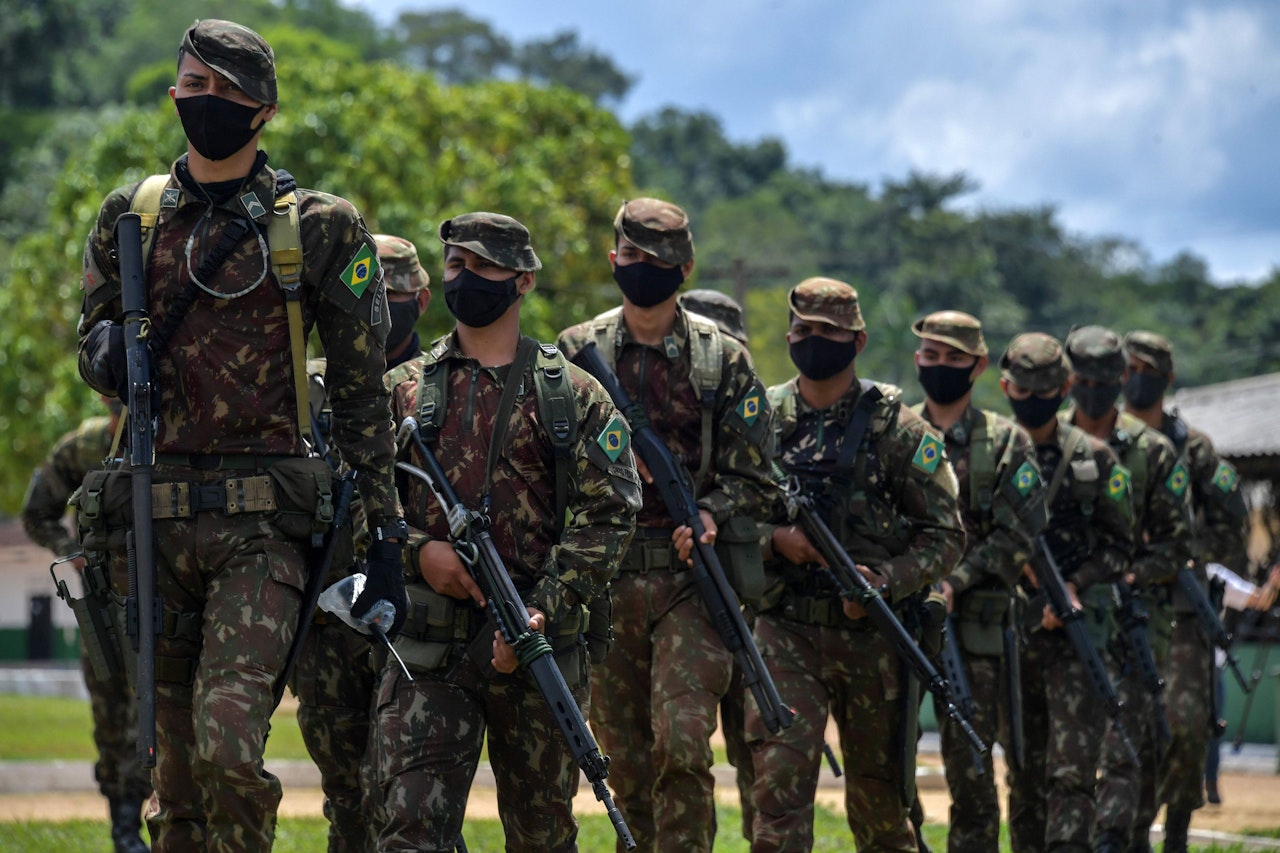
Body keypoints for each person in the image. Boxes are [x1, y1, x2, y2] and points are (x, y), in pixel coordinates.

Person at [76, 19, 406, 851]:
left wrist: (386, 535)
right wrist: (107, 352)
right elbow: (93, 349)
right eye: (195, 86)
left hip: (263, 529)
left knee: (226, 748)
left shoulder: (322, 227)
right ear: (173, 92)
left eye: (228, 91)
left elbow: (363, 397)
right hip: (150, 522)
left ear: (265, 110)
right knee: (176, 783)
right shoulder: (130, 219)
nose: (208, 102)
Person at [370, 212, 641, 851]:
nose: (467, 277)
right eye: (456, 265)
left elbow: (611, 513)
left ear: (523, 281)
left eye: (484, 266)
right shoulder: (401, 391)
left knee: (542, 836)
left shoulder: (573, 394)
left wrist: (541, 611)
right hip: (427, 652)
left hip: (536, 649)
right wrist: (419, 553)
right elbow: (359, 502)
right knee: (410, 832)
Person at [557, 198, 778, 853]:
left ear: (684, 269)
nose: (641, 267)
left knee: (682, 744)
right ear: (613, 258)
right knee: (625, 761)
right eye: (631, 255)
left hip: (690, 582)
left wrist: (711, 512)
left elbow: (758, 475)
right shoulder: (576, 351)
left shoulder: (722, 359)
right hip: (606, 580)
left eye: (656, 260)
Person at [746, 278, 965, 852]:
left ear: (858, 340)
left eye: (829, 331)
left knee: (882, 808)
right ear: (788, 336)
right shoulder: (759, 420)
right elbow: (725, 516)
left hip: (874, 638)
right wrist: (776, 540)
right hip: (785, 629)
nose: (813, 340)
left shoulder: (900, 429)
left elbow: (947, 536)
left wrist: (886, 581)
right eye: (803, 329)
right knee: (777, 793)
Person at [290, 233, 431, 852]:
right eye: (364, 294)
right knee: (348, 798)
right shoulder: (306, 387)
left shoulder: (437, 385)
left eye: (390, 296)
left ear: (420, 300)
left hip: (415, 621)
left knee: (413, 794)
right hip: (327, 628)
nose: (375, 308)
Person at [909, 311, 1046, 853]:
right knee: (887, 769)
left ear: (979, 365)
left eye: (954, 358)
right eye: (931, 355)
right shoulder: (894, 430)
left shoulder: (1006, 442)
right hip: (902, 623)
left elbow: (1019, 535)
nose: (940, 366)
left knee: (971, 773)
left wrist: (954, 581)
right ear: (917, 359)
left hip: (974, 636)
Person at [998, 332, 1134, 853]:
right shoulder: (991, 452)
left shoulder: (1094, 459)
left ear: (1064, 388)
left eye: (1044, 391)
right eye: (1023, 390)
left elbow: (1121, 548)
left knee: (1073, 772)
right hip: (1011, 635)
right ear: (1006, 388)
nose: (1033, 400)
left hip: (1075, 640)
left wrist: (1075, 585)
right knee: (1023, 773)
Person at [1060, 325, 1192, 853]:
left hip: (1129, 624)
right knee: (1061, 758)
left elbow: (1177, 545)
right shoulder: (1043, 444)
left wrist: (1131, 575)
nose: (1092, 391)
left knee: (1123, 749)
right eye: (1083, 380)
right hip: (1058, 625)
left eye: (1103, 381)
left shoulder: (1151, 452)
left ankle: (1115, 840)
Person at [1121, 330, 1252, 851]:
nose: (1136, 380)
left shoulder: (1192, 449)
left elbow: (1232, 528)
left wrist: (1177, 548)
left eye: (1147, 371)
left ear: (1167, 378)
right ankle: (1129, 834)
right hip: (1117, 603)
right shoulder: (1102, 439)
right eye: (1129, 369)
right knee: (1125, 727)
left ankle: (1176, 832)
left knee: (1187, 727)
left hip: (1180, 610)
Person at [23, 398, 153, 853]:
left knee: (159, 719)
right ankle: (124, 830)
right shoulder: (86, 446)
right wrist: (70, 550)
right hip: (102, 608)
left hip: (164, 603)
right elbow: (36, 510)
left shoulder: (173, 442)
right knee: (112, 721)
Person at [1202, 562, 1279, 805]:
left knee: (1213, 727)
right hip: (1171, 665)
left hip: (1210, 668)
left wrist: (1273, 584)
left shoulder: (1214, 575)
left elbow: (1261, 601)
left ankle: (1210, 782)